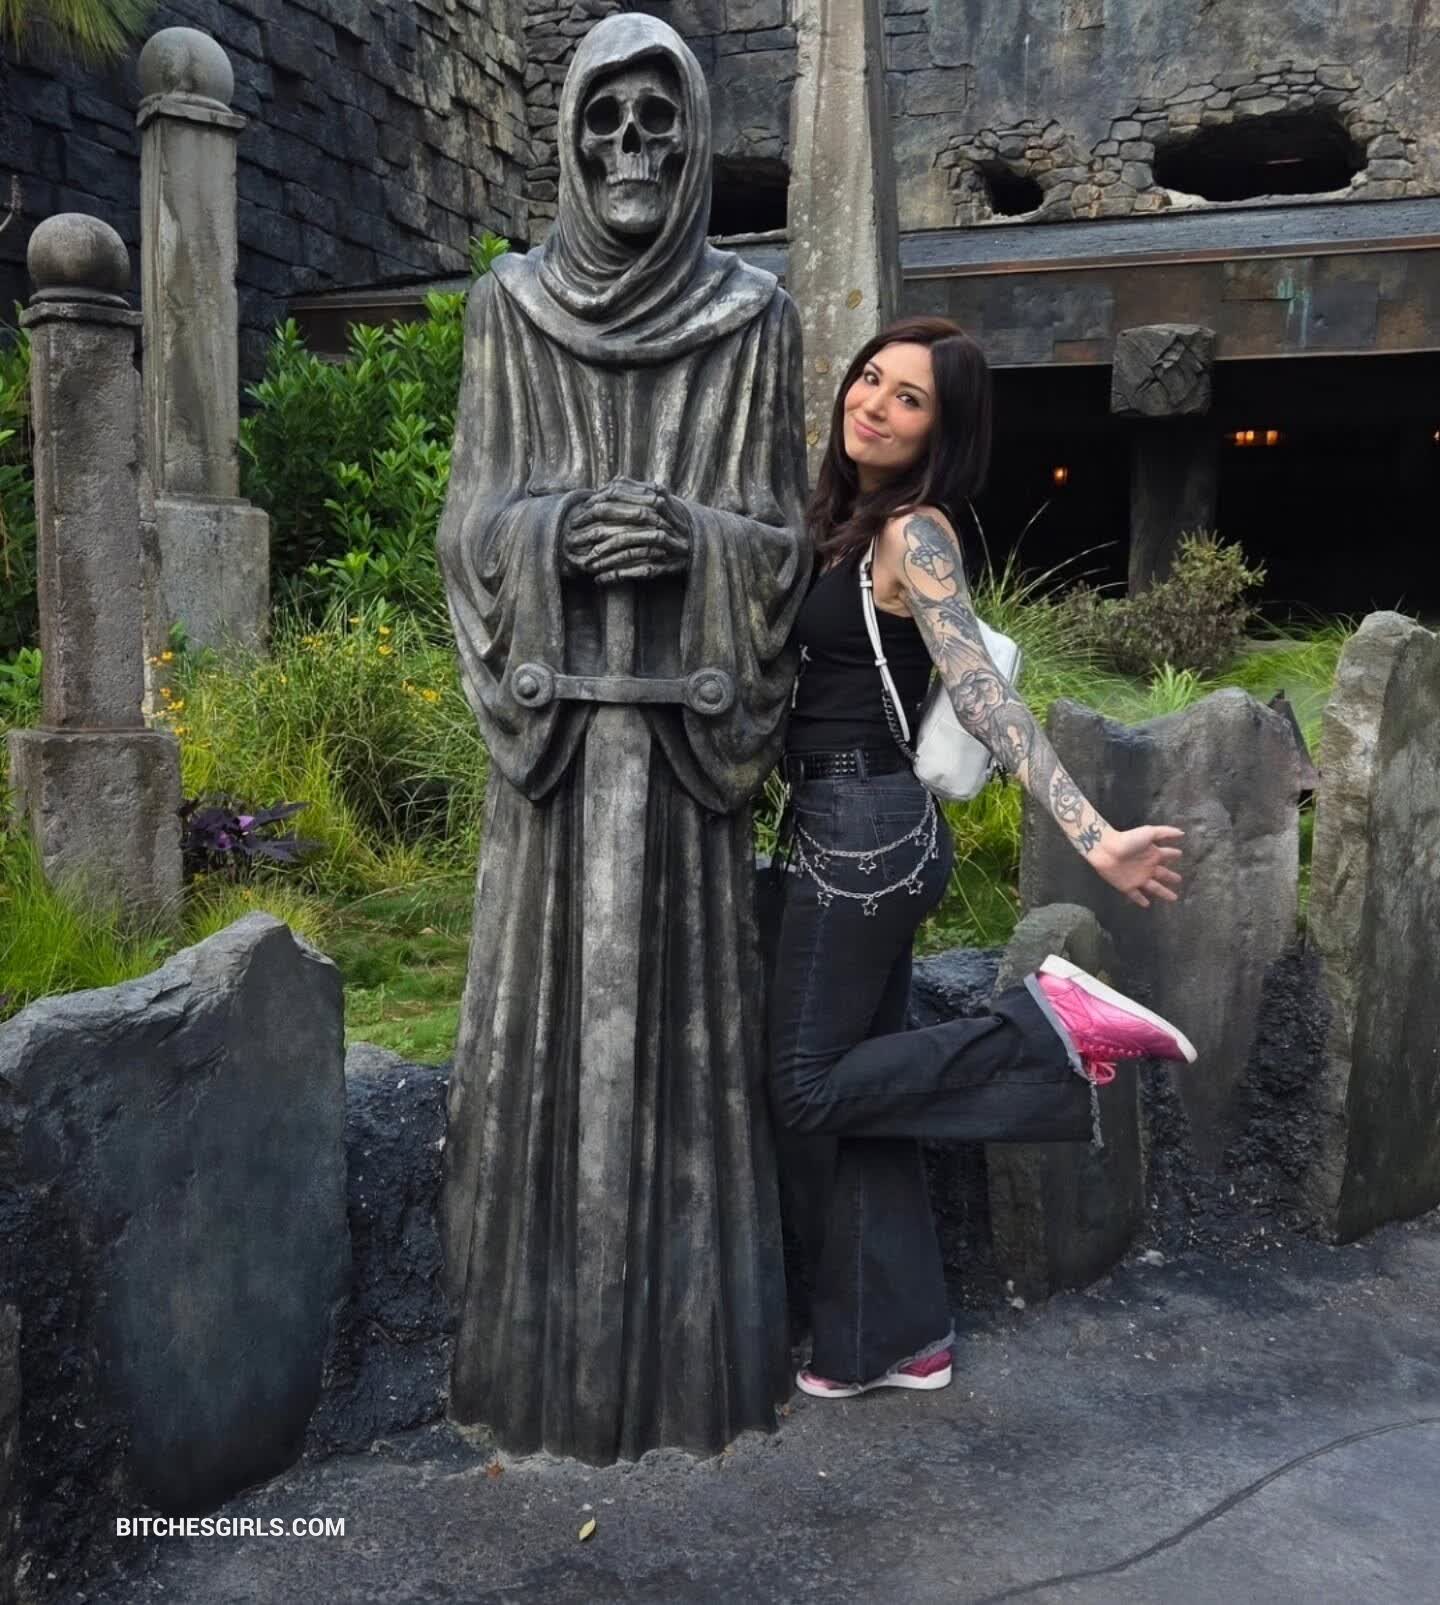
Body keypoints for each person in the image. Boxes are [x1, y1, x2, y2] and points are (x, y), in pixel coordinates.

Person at [767, 315, 1195, 1399]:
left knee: (807, 1090)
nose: (874, 403)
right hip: (845, 828)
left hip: (863, 840)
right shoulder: (840, 522)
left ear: (941, 432)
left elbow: (982, 694)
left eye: (908, 398)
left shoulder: (915, 533)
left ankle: (1048, 1025)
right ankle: (898, 1338)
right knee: (869, 1096)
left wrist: (1094, 838)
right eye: (871, 379)